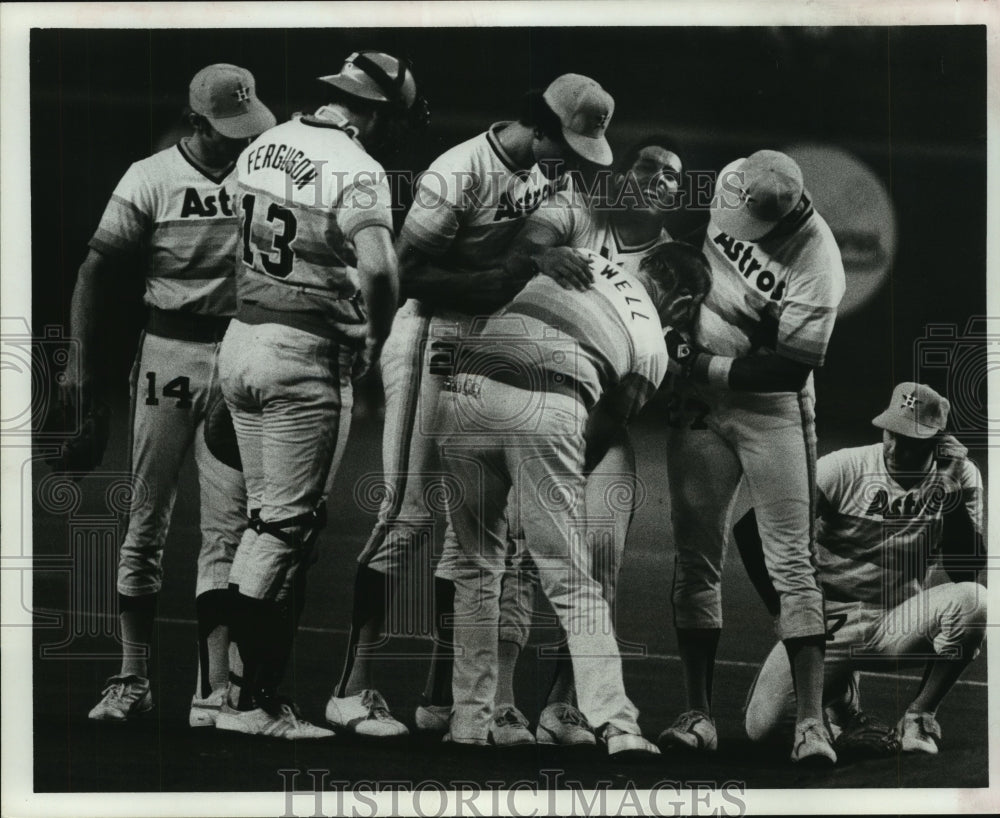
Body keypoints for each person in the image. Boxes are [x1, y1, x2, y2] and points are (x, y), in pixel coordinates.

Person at [326, 74, 616, 743]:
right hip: (428, 335)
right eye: (566, 145)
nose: (571, 162)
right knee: (407, 511)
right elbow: (401, 271)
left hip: (487, 346)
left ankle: (440, 699)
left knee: (476, 535)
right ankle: (348, 688)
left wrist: (540, 263)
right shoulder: (459, 171)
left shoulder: (552, 178)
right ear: (537, 124)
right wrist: (498, 278)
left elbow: (538, 248)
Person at [213, 51, 427, 739]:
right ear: (377, 111)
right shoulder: (357, 168)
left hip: (240, 338)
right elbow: (381, 269)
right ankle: (252, 703)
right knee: (281, 529)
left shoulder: (264, 141)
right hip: (303, 353)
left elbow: (231, 242)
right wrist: (374, 337)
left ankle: (234, 694)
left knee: (262, 523)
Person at [438, 241, 710, 755]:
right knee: (573, 580)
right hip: (546, 402)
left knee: (475, 568)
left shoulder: (583, 258)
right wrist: (538, 496)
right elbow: (599, 433)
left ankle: (470, 724)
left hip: (464, 389)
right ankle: (619, 725)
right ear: (682, 302)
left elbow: (524, 265)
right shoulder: (652, 342)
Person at [77, 64, 275, 724]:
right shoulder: (151, 176)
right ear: (195, 122)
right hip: (168, 352)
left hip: (241, 351)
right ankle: (133, 678)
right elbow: (94, 272)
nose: (239, 140)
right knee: (145, 524)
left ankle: (213, 687)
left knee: (234, 524)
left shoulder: (261, 172)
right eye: (226, 130)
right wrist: (79, 374)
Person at [490, 136, 692, 746]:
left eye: (672, 176)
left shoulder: (674, 263)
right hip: (531, 394)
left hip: (603, 422)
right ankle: (495, 701)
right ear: (623, 172)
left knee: (600, 555)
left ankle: (561, 705)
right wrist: (542, 257)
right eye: (648, 166)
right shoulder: (578, 207)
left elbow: (663, 365)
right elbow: (525, 247)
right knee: (515, 555)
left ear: (679, 195)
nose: (658, 179)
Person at [658, 150, 845, 763]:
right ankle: (698, 713)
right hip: (698, 405)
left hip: (769, 411)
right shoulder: (737, 182)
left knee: (791, 560)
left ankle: (813, 723)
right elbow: (686, 237)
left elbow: (790, 370)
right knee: (694, 556)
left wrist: (699, 363)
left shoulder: (819, 261)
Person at [739, 382, 986, 755]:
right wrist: (784, 609)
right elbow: (750, 529)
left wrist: (949, 491)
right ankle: (842, 701)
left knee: (976, 602)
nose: (897, 446)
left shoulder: (961, 477)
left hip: (901, 620)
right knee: (765, 731)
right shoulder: (843, 467)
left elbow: (966, 572)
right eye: (893, 433)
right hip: (829, 623)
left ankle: (919, 715)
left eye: (913, 439)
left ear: (938, 440)